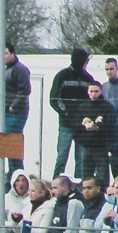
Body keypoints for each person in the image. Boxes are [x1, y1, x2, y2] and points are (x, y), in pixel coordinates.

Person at [50, 48, 96, 178]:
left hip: (81, 126)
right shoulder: (62, 76)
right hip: (66, 124)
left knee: (81, 159)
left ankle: (80, 187)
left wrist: (86, 117)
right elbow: (54, 99)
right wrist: (66, 113)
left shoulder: (88, 78)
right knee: (61, 157)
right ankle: (56, 184)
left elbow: (91, 100)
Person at [75, 82, 114, 185]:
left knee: (102, 176)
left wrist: (98, 128)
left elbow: (111, 126)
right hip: (87, 146)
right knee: (86, 176)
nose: (93, 94)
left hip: (101, 147)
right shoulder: (83, 107)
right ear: (88, 92)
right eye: (91, 91)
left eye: (96, 91)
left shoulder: (107, 107)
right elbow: (76, 127)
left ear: (101, 91)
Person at [2, 43, 33, 175]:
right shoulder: (4, 69)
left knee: (12, 144)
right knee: (6, 146)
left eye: (6, 53)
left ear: (13, 54)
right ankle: (12, 173)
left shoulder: (20, 69)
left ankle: (17, 174)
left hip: (16, 112)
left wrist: (13, 105)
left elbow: (25, 89)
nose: (3, 56)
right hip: (5, 112)